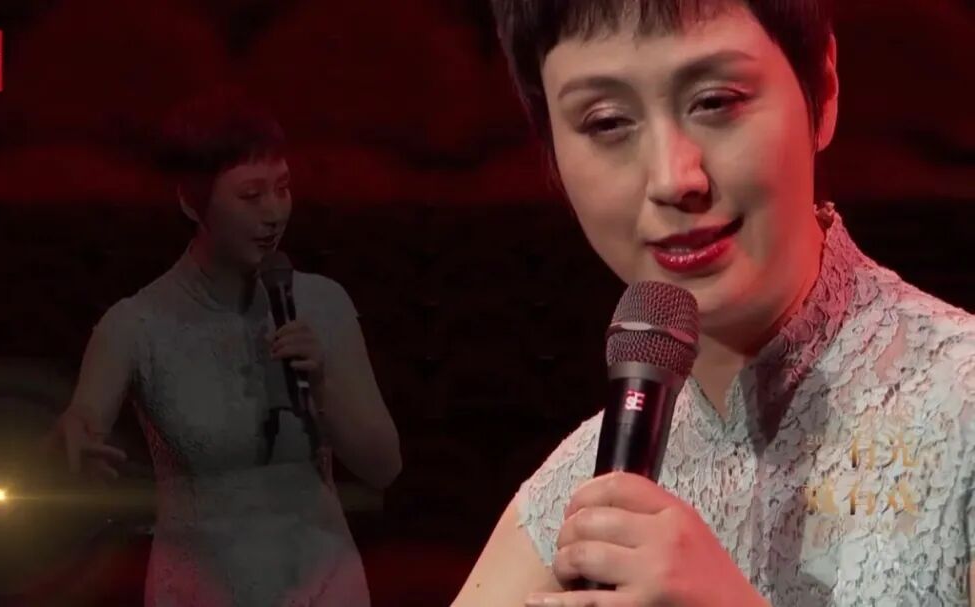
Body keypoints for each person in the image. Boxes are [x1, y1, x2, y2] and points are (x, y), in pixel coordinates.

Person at [454, 1, 974, 606]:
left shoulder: (960, 406)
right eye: (607, 122)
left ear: (824, 89)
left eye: (715, 102)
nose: (674, 178)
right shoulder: (571, 499)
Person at [50, 89, 401, 606]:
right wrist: (75, 438)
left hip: (324, 583)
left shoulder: (322, 303)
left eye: (282, 188)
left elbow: (384, 466)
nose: (274, 212)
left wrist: (323, 382)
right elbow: (85, 420)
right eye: (251, 196)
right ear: (191, 202)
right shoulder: (135, 325)